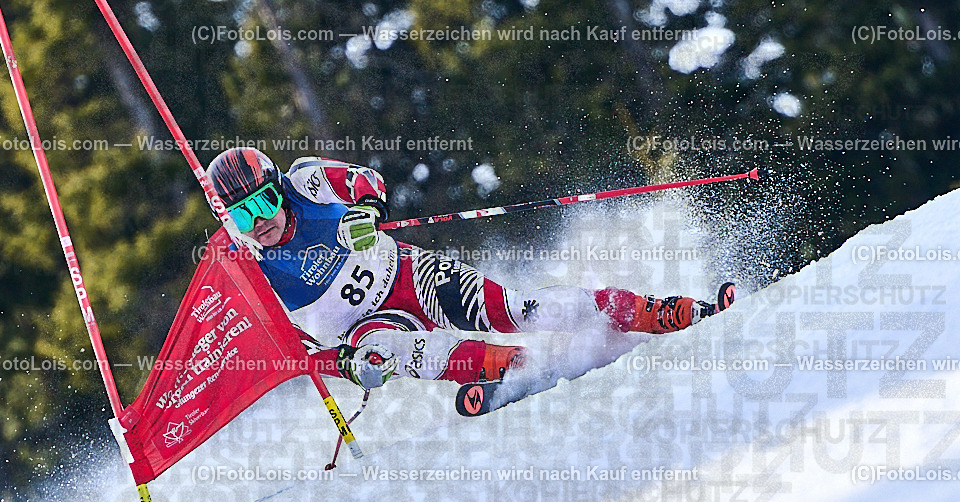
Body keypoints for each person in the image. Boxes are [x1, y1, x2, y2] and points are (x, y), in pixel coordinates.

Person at [205, 148, 733, 390]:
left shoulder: (306, 182)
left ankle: (657, 311)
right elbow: (280, 347)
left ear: (278, 186)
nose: (262, 221)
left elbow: (365, 181)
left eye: (265, 202)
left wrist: (367, 214)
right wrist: (340, 365)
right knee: (390, 349)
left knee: (514, 309)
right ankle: (518, 369)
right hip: (362, 329)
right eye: (243, 215)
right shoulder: (239, 264)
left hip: (406, 275)